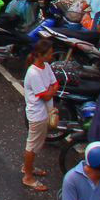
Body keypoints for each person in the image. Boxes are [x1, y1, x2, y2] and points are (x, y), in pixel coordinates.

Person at [22, 39, 58, 191]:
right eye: (49, 54)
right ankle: (28, 177)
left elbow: (54, 84)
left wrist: (50, 91)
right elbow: (46, 95)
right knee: (32, 146)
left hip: (44, 112)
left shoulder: (46, 66)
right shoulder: (33, 73)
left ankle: (28, 168)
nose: (51, 56)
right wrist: (50, 91)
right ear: (39, 54)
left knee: (36, 144)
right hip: (37, 115)